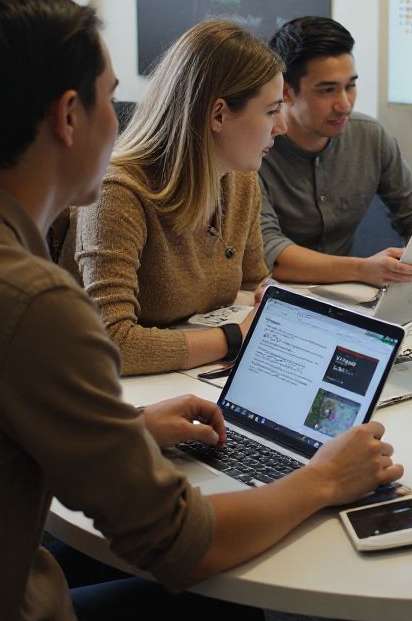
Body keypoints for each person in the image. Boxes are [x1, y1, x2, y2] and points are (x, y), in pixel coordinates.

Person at [0, 0, 412, 621]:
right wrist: (323, 479)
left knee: (221, 616)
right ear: (68, 116)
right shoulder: (32, 303)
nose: (122, 122)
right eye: (111, 99)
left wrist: (129, 429)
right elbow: (182, 545)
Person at [62, 19, 285, 375]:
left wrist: (269, 298)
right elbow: (110, 342)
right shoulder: (118, 193)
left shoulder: (241, 180)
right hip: (117, 391)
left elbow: (250, 281)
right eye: (272, 111)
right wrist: (233, 338)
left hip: (185, 378)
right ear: (219, 114)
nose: (282, 126)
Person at [260, 16, 412, 286]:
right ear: (287, 92)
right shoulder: (256, 149)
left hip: (347, 295)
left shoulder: (370, 136)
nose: (344, 105)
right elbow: (270, 252)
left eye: (350, 86)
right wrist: (361, 269)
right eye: (328, 90)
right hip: (272, 294)